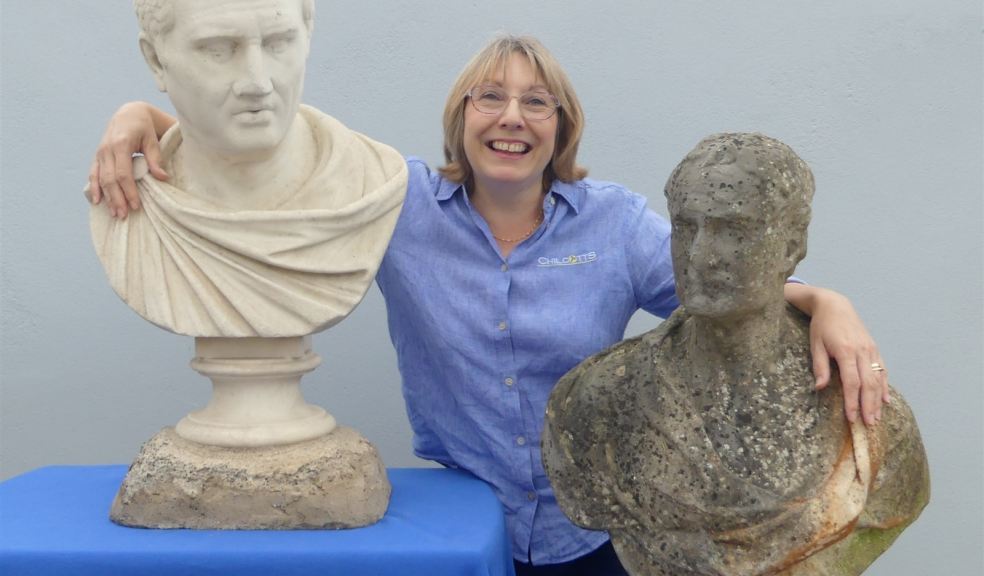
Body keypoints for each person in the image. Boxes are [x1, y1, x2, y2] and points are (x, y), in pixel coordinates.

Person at [86, 34, 891, 575]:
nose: (512, 117)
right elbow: (257, 146)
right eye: (490, 99)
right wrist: (135, 116)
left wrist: (827, 298)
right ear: (460, 119)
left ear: (560, 127)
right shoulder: (395, 205)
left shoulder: (615, 222)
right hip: (461, 533)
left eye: (536, 102)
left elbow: (726, 292)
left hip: (596, 537)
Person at [542, 133, 928, 575]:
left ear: (791, 245)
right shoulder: (598, 402)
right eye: (687, 227)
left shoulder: (872, 422)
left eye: (733, 231)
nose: (702, 256)